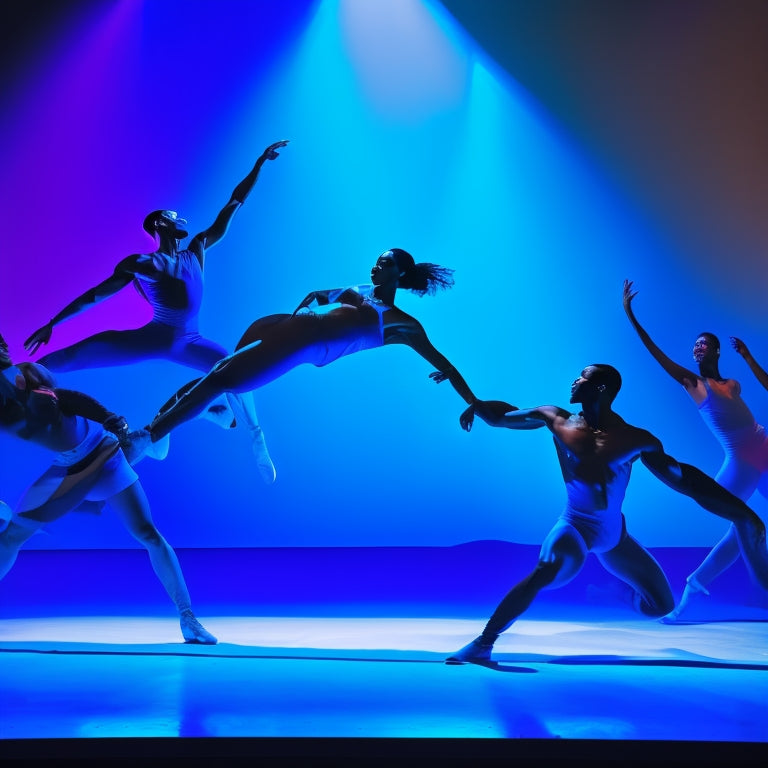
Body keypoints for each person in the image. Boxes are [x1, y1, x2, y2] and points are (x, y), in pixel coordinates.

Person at [445, 363, 768, 665]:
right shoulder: (556, 419)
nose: (575, 381)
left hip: (614, 533)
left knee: (662, 606)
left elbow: (687, 480)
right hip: (575, 525)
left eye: (582, 377)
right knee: (548, 569)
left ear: (599, 388)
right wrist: (472, 399)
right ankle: (483, 643)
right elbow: (501, 417)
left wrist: (741, 513)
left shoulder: (636, 439)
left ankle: (613, 592)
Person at [23, 140, 290, 485]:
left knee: (237, 366)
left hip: (189, 340)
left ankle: (254, 436)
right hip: (153, 337)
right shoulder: (143, 263)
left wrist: (259, 164)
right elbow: (95, 296)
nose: (183, 218)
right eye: (174, 216)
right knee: (76, 354)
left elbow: (234, 203)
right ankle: (19, 379)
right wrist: (52, 324)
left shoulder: (198, 248)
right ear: (161, 225)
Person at [129, 248, 483, 448]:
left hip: (304, 346)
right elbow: (324, 295)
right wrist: (314, 298)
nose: (376, 264)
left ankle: (151, 436)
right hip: (285, 324)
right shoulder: (361, 288)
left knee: (224, 380)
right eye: (376, 258)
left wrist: (473, 403)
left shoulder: (403, 324)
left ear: (400, 275)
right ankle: (182, 424)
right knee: (221, 373)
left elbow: (444, 362)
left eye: (386, 262)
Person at [0, 335, 216, 644]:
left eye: (2, 341)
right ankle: (148, 442)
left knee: (147, 533)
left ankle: (188, 618)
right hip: (68, 470)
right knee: (12, 538)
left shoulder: (31, 374)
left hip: (102, 453)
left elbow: (67, 399)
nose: (3, 345)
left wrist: (107, 416)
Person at [623, 280, 768, 621]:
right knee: (741, 526)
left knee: (743, 529)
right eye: (695, 345)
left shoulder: (732, 384)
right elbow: (658, 355)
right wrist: (631, 316)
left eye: (705, 344)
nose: (698, 348)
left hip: (765, 448)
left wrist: (747, 357)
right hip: (741, 463)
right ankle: (694, 584)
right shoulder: (693, 383)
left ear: (716, 351)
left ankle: (698, 583)